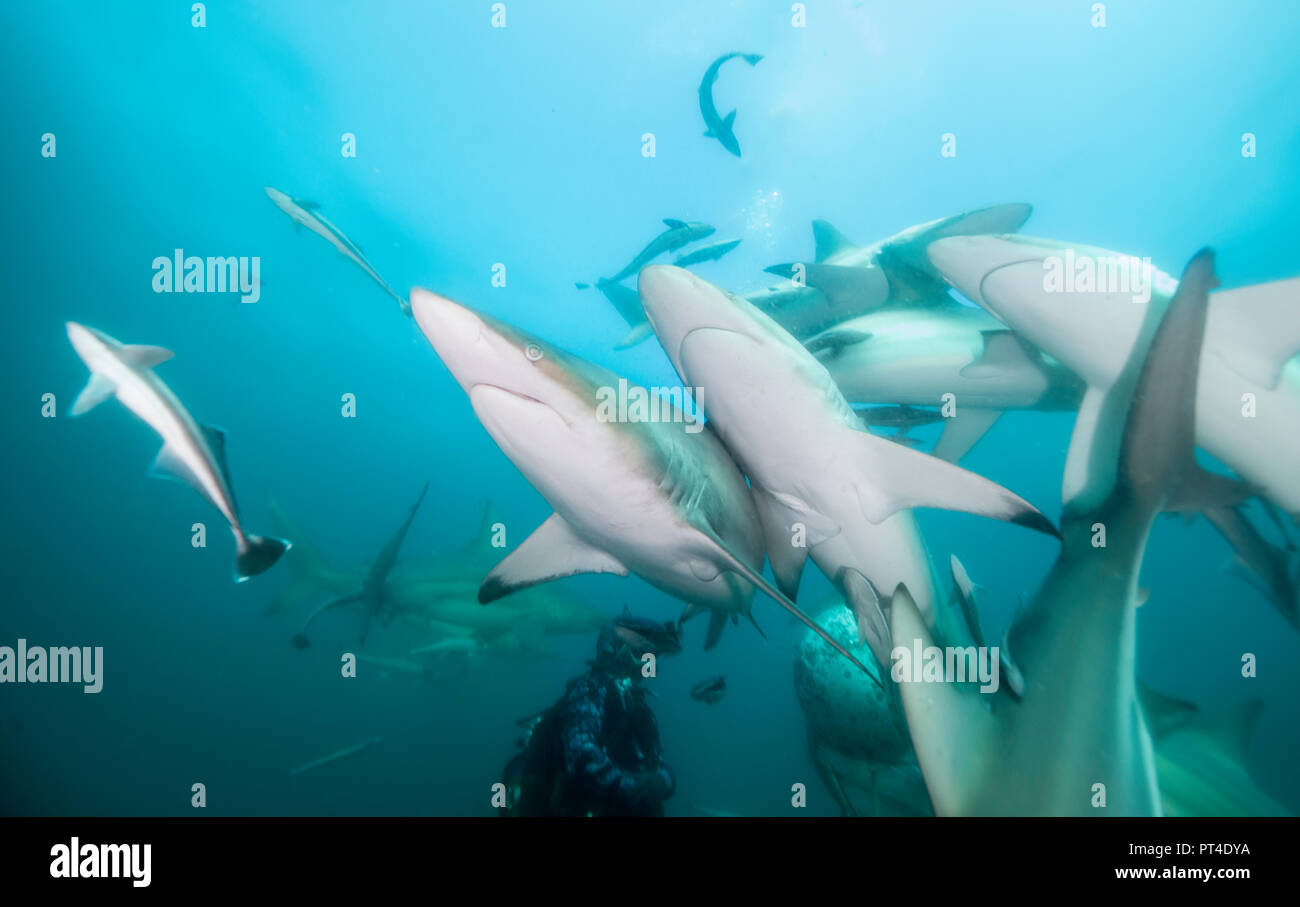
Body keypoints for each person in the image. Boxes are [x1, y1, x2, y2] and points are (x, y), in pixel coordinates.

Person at [502, 611, 682, 817]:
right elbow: (581, 756)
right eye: (644, 655)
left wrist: (663, 781)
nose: (650, 665)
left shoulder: (637, 705)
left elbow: (657, 759)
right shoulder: (590, 691)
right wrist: (633, 788)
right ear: (615, 648)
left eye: (654, 657)